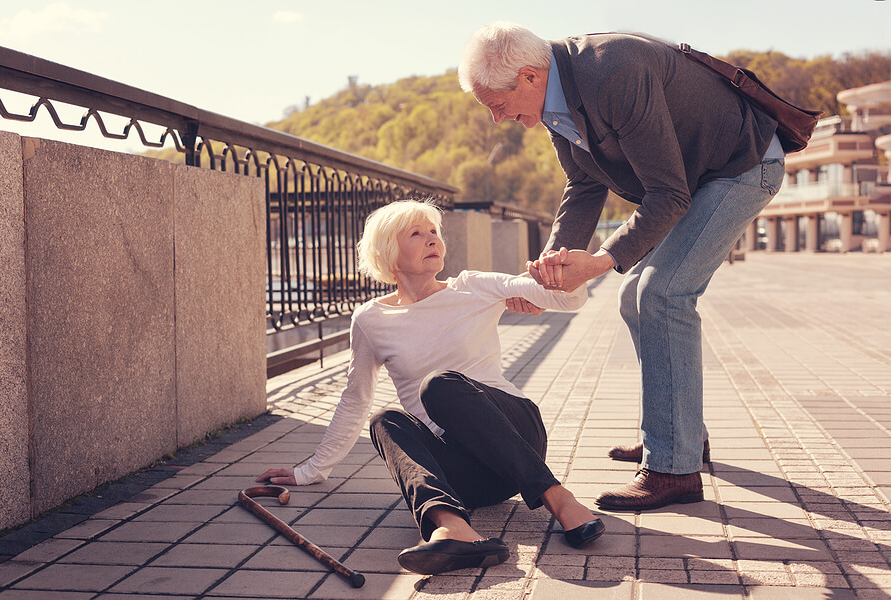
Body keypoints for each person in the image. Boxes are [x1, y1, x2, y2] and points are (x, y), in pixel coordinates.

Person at [459, 23, 785, 511]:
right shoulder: (554, 97)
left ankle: (674, 470)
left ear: (528, 77)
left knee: (661, 293)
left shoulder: (614, 73)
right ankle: (679, 434)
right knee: (634, 296)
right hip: (697, 176)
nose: (497, 118)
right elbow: (584, 185)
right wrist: (545, 275)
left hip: (742, 165)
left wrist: (595, 263)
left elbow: (668, 194)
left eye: (496, 104)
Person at [256, 200, 604, 576]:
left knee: (438, 386)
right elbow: (355, 397)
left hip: (517, 436)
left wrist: (560, 273)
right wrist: (311, 470)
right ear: (389, 251)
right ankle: (451, 526)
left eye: (434, 232)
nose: (432, 240)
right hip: (473, 478)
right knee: (384, 419)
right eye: (416, 234)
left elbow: (567, 299)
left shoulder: (473, 286)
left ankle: (558, 498)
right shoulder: (371, 319)